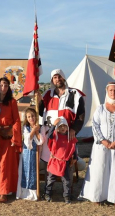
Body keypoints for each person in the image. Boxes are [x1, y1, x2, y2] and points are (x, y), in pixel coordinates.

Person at [79, 82, 115, 208]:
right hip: (101, 146)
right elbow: (95, 125)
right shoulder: (100, 108)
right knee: (100, 169)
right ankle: (97, 195)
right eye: (110, 90)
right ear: (107, 91)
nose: (113, 92)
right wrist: (103, 140)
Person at [37, 68, 86, 196]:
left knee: (66, 162)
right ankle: (48, 190)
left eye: (59, 77)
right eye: (54, 77)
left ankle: (67, 191)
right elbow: (40, 111)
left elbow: (80, 114)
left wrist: (74, 129)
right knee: (51, 161)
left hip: (66, 137)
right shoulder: (47, 94)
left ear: (63, 78)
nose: (57, 79)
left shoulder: (75, 94)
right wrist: (38, 101)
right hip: (51, 136)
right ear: (52, 80)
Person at [0, 77, 22, 203]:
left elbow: (17, 120)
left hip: (8, 137)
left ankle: (4, 192)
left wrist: (14, 136)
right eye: (2, 85)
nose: (4, 88)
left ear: (8, 88)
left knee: (5, 164)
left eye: (6, 86)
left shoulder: (12, 102)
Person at [44, 117, 77, 204]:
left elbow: (73, 148)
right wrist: (54, 125)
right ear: (57, 128)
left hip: (65, 162)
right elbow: (49, 135)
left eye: (64, 126)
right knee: (51, 179)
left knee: (66, 180)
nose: (63, 128)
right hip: (55, 161)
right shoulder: (55, 135)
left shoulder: (70, 137)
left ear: (67, 127)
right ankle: (47, 194)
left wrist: (75, 158)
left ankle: (66, 196)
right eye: (60, 126)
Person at [16, 107, 44, 201]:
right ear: (26, 119)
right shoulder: (25, 127)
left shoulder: (40, 127)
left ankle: (34, 192)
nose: (31, 118)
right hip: (27, 153)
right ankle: (24, 192)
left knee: (34, 171)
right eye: (29, 117)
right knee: (25, 171)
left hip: (36, 152)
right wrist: (33, 130)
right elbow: (27, 140)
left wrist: (36, 130)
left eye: (32, 116)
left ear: (35, 116)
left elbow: (41, 140)